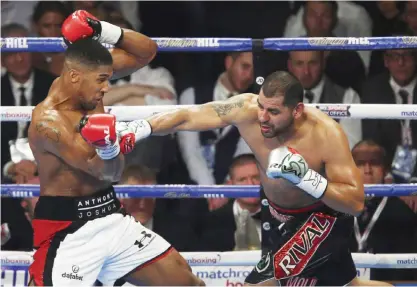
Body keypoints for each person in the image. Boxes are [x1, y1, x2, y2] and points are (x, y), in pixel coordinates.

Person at [115, 71, 392, 286]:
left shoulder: (326, 134)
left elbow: (355, 203)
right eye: (261, 106)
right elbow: (189, 116)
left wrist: (306, 178)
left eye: (273, 112)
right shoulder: (246, 111)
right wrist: (143, 127)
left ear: (297, 111)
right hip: (275, 214)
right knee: (347, 284)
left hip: (318, 217)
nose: (262, 117)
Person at [27, 10, 204, 287]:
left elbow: (147, 52)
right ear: (74, 77)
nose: (107, 88)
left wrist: (102, 29)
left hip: (110, 212)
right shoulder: (50, 122)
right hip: (69, 230)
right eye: (101, 80)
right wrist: (112, 146)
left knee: (187, 283)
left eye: (107, 77)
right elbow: (107, 172)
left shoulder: (89, 81)